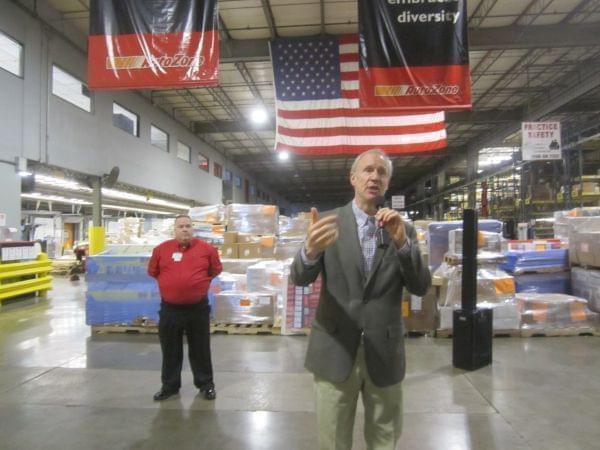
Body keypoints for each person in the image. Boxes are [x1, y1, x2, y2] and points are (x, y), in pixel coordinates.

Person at [290, 149, 431, 450]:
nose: (374, 177)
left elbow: (420, 286)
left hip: (384, 352)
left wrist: (403, 245)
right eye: (367, 170)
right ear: (353, 178)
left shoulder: (401, 229)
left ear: (388, 183)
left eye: (381, 172)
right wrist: (310, 252)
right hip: (335, 350)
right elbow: (300, 278)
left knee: (385, 439)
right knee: (333, 439)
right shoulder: (328, 223)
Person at [148, 214, 222, 401]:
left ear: (193, 228)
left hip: (197, 309)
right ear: (174, 229)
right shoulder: (161, 250)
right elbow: (153, 272)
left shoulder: (207, 250)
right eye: (180, 226)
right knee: (170, 349)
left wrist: (195, 285)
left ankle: (206, 385)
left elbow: (215, 270)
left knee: (200, 349)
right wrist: (173, 285)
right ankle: (170, 386)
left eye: (188, 226)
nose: (184, 229)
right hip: (170, 309)